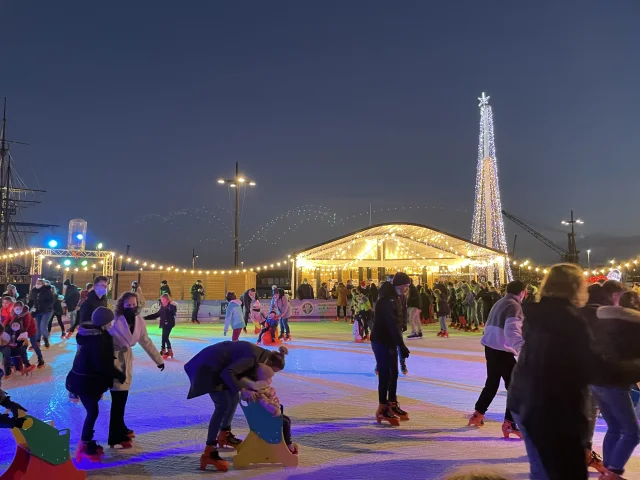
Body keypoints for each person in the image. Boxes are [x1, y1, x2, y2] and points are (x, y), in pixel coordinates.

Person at [507, 264, 640, 479]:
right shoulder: (570, 320)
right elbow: (597, 367)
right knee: (567, 472)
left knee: (542, 470)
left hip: (522, 401)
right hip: (552, 409)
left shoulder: (536, 315)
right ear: (575, 287)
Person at [184, 341, 289, 472]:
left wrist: (253, 388)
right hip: (208, 368)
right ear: (269, 364)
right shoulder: (252, 359)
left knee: (233, 398)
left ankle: (224, 434)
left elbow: (241, 375)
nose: (270, 377)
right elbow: (229, 372)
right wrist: (244, 390)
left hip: (219, 367)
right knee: (223, 405)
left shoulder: (262, 358)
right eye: (272, 372)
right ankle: (209, 451)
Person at [590, 288, 640, 477]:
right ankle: (613, 471)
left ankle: (606, 471)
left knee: (615, 427)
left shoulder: (603, 319)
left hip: (596, 379)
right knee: (632, 433)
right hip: (615, 381)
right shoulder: (635, 324)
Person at [66, 307, 126, 462]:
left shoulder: (92, 335)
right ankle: (84, 444)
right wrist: (119, 374)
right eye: (110, 321)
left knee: (93, 411)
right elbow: (102, 365)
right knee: (92, 412)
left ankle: (85, 442)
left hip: (84, 380)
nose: (112, 324)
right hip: (86, 382)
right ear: (104, 323)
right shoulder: (97, 340)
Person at [468, 280, 526, 439]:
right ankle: (510, 423)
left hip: (490, 347)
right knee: (516, 388)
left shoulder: (500, 302)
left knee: (492, 383)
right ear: (522, 292)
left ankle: (478, 414)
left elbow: (488, 324)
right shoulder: (514, 306)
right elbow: (512, 331)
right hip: (502, 350)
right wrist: (522, 348)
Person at [108, 292, 164, 448]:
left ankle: (121, 428)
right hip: (114, 362)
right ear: (122, 305)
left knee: (122, 399)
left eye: (134, 305)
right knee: (118, 400)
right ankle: (114, 437)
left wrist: (158, 360)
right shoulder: (113, 321)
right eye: (128, 305)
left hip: (126, 362)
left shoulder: (139, 321)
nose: (131, 307)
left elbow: (146, 341)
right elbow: (104, 343)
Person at [371, 272, 411, 425]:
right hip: (381, 340)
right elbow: (391, 324)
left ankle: (392, 403)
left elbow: (398, 321)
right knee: (385, 373)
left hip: (391, 340)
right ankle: (382, 407)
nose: (406, 289)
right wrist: (401, 345)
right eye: (404, 286)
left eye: (408, 287)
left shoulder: (398, 297)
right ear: (397, 285)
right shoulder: (385, 300)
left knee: (393, 372)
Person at [240, 363, 298, 454]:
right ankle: (288, 444)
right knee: (285, 422)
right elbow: (268, 406)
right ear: (261, 380)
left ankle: (285, 442)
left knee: (286, 419)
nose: (271, 380)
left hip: (262, 417)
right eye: (269, 378)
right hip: (265, 420)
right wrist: (276, 409)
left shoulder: (258, 390)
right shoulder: (260, 394)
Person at [6, 301, 41, 371]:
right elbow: (9, 321)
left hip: (30, 331)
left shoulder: (26, 314)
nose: (18, 311)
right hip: (19, 331)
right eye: (16, 309)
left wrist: (21, 335)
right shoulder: (12, 313)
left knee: (33, 345)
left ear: (22, 308)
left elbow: (26, 326)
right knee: (18, 347)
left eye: (19, 309)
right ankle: (20, 363)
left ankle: (40, 359)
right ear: (13, 308)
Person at [143, 293, 177, 358]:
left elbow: (173, 312)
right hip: (164, 324)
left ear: (167, 300)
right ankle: (165, 350)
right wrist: (145, 317)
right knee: (164, 337)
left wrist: (172, 305)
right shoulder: (162, 307)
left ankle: (168, 351)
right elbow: (156, 315)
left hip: (169, 324)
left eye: (164, 299)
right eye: (161, 299)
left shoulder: (171, 306)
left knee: (165, 337)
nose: (162, 301)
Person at [27, 278, 54, 350]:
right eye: (37, 283)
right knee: (37, 327)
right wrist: (26, 307)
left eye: (39, 283)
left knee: (42, 326)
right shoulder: (34, 291)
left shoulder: (47, 291)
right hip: (38, 311)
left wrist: (42, 309)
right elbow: (31, 301)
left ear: (43, 284)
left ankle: (45, 339)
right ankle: (37, 341)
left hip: (47, 311)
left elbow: (50, 302)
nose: (37, 285)